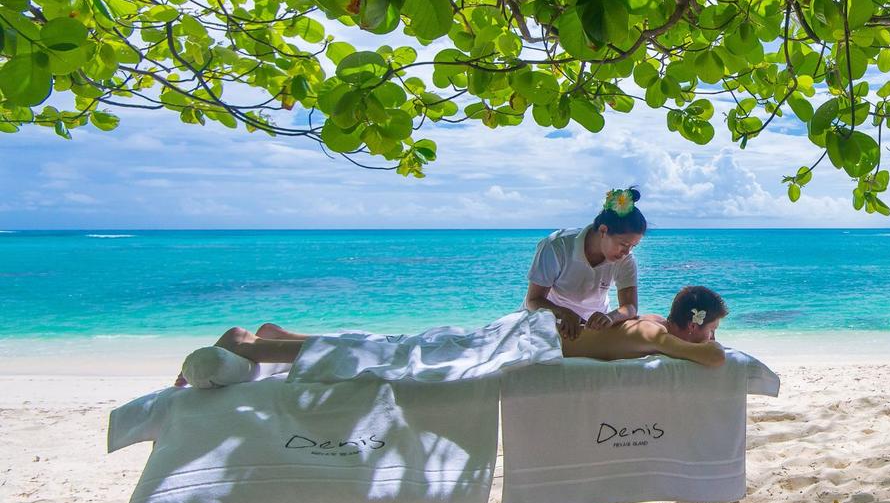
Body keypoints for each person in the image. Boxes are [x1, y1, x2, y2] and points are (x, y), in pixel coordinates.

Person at [179, 287, 730, 383]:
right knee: (399, 355)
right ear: (694, 323)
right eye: (712, 327)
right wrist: (708, 345)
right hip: (521, 344)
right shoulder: (657, 334)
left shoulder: (649, 321)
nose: (713, 337)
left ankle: (283, 334)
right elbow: (712, 361)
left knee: (399, 346)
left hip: (526, 335)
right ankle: (253, 345)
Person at [523, 187, 646, 340]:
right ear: (603, 231)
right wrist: (563, 313)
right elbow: (533, 301)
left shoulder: (625, 259)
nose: (627, 252)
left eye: (633, 246)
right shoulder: (557, 246)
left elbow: (630, 307)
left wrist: (611, 317)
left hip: (595, 326)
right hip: (550, 320)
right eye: (623, 244)